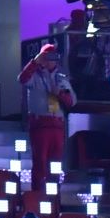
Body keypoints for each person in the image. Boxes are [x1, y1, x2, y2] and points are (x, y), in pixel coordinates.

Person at [18, 43, 76, 189]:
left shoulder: (61, 77)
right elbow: (22, 79)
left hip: (57, 125)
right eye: (47, 56)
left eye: (54, 57)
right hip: (40, 125)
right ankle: (38, 196)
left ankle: (53, 196)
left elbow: (72, 101)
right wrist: (34, 62)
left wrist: (60, 94)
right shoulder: (34, 75)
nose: (51, 60)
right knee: (40, 163)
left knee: (55, 165)